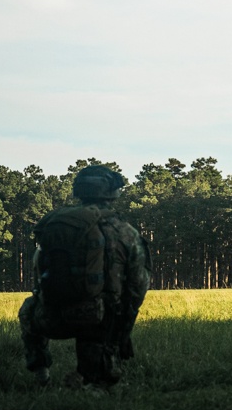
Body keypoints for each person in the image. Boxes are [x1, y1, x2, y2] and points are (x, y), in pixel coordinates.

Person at [19, 165, 151, 388]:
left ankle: (41, 372)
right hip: (98, 321)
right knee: (103, 384)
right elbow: (138, 285)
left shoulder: (58, 223)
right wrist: (122, 330)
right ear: (112, 192)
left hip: (50, 316)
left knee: (27, 308)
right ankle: (92, 378)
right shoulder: (124, 231)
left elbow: (39, 271)